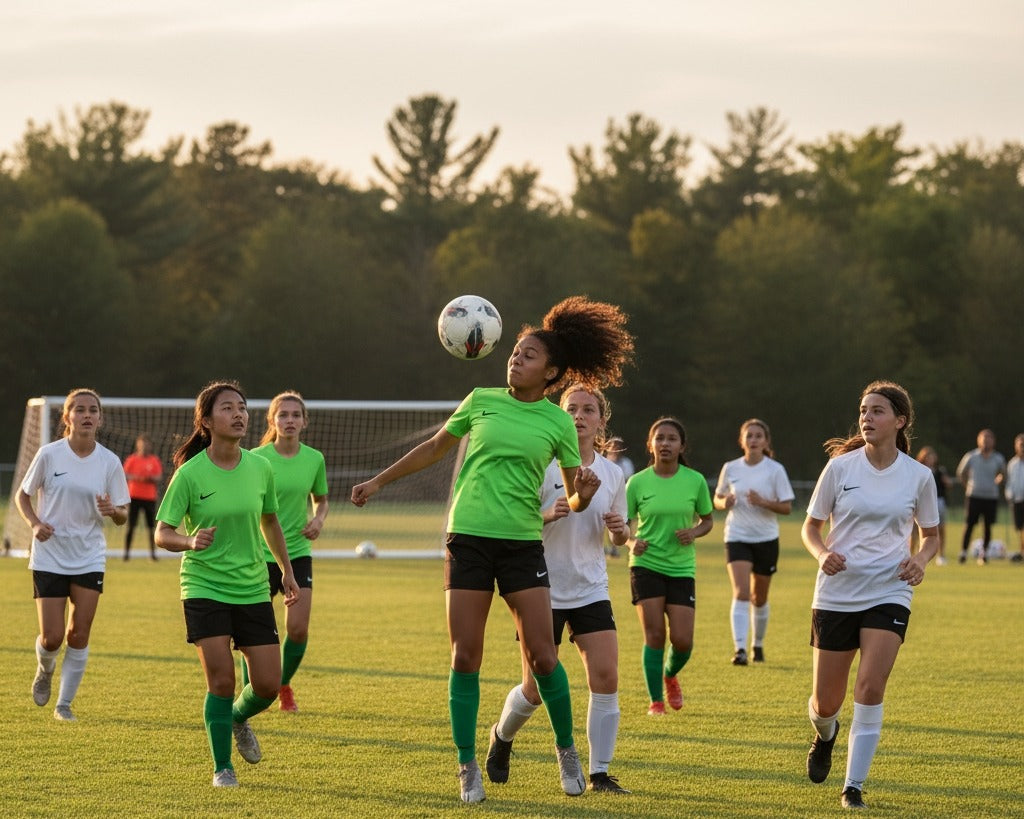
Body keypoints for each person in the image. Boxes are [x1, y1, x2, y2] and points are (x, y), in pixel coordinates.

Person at [351, 296, 634, 804]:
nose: (516, 359)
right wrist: (377, 481)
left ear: (551, 373)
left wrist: (584, 496)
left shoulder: (557, 423)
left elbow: (572, 494)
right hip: (468, 540)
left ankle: (568, 751)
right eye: (516, 352)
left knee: (543, 657)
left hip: (523, 544)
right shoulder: (481, 398)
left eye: (528, 355)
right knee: (465, 655)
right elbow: (434, 447)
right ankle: (466, 766)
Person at [486, 384, 631, 794]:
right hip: (539, 586)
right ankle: (502, 736)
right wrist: (547, 513)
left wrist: (622, 532)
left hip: (591, 587)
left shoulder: (613, 473)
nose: (579, 416)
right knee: (533, 689)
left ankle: (600, 774)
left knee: (605, 676)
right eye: (571, 409)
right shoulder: (541, 463)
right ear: (560, 416)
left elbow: (619, 537)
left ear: (601, 420)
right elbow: (513, 520)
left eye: (589, 410)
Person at [801, 380, 939, 811]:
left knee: (870, 685)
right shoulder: (840, 468)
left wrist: (920, 560)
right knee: (826, 703)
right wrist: (822, 554)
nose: (866, 418)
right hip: (837, 594)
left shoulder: (919, 476)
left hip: (890, 591)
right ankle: (825, 736)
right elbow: (810, 527)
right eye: (863, 410)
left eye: (877, 411)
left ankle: (853, 787)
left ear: (900, 421)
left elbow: (931, 535)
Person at [155, 381, 299, 788]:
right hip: (203, 585)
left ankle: (236, 718)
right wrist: (188, 541)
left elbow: (270, 520)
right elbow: (162, 532)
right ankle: (223, 768)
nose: (239, 414)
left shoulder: (260, 467)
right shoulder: (190, 473)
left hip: (252, 585)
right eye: (227, 408)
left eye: (242, 407)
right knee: (221, 681)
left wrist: (286, 570)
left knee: (268, 685)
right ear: (206, 421)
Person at [16, 388, 130, 721]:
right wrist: (35, 524)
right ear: (67, 417)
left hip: (89, 556)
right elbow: (24, 497)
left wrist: (113, 511)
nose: (86, 415)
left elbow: (123, 514)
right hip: (50, 554)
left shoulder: (109, 461)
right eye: (79, 410)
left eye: (92, 410)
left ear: (100, 418)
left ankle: (64, 705)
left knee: (78, 633)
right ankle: (45, 668)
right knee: (52, 638)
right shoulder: (49, 455)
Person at [625, 416, 714, 716]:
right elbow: (622, 528)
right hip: (645, 564)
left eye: (671, 438)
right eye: (659, 438)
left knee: (682, 640)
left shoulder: (695, 480)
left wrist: (694, 532)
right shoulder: (636, 482)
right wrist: (630, 542)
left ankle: (669, 674)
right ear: (650, 444)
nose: (665, 443)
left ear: (681, 445)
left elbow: (708, 521)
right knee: (654, 636)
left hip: (681, 568)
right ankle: (656, 702)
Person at [250, 391, 329, 712]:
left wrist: (318, 519)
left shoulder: (314, 459)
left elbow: (321, 499)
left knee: (297, 629)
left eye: (296, 415)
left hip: (297, 553)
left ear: (304, 421)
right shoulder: (256, 458)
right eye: (283, 415)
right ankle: (250, 692)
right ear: (272, 420)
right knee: (252, 634)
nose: (290, 420)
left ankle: (281, 684)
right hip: (257, 554)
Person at [713, 418, 794, 666]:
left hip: (766, 538)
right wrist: (723, 503)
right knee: (742, 592)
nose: (754, 440)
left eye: (759, 436)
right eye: (749, 435)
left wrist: (764, 502)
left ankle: (757, 644)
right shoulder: (731, 467)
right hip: (737, 535)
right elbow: (717, 498)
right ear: (742, 441)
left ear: (766, 441)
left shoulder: (775, 470)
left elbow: (787, 507)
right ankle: (740, 650)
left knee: (759, 597)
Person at [956, 429, 1007, 564]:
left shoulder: (998, 458)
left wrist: (997, 482)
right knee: (969, 524)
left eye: (989, 439)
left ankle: (984, 554)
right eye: (984, 439)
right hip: (974, 495)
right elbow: (961, 473)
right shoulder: (971, 456)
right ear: (979, 441)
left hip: (991, 497)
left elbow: (1004, 473)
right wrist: (968, 486)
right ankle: (963, 552)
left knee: (988, 526)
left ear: (993, 442)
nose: (986, 442)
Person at [122, 434, 164, 561]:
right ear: (138, 445)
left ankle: (153, 554)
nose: (144, 446)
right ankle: (126, 554)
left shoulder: (154, 460)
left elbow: (159, 477)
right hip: (134, 497)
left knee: (151, 527)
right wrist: (137, 477)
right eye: (142, 444)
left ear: (150, 446)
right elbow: (125, 474)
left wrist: (150, 479)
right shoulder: (132, 459)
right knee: (131, 526)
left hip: (149, 498)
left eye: (146, 444)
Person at [914, 446, 953, 564]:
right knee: (915, 530)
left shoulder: (939, 471)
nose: (930, 459)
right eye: (928, 457)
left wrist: (947, 482)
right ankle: (912, 553)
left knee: (939, 529)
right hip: (920, 501)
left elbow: (948, 485)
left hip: (938, 501)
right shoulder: (918, 470)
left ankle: (941, 554)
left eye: (932, 456)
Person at [1006, 434, 1024, 563]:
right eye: (1021, 445)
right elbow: (1010, 482)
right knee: (1020, 528)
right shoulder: (1012, 464)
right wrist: (1009, 494)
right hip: (1017, 500)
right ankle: (1022, 551)